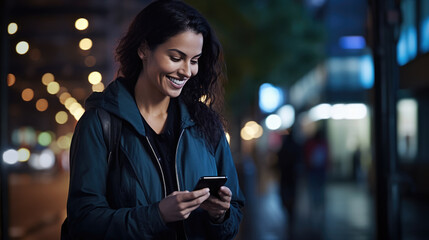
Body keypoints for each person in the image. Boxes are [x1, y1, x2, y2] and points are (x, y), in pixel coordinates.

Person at [61, 0, 245, 239]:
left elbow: (235, 213)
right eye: (176, 57)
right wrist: (157, 215)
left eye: (194, 60)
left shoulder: (205, 124)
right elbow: (83, 222)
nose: (187, 71)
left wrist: (220, 215)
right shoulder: (100, 123)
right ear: (144, 49)